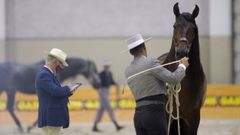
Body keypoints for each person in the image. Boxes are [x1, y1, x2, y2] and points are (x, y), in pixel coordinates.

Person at [124, 34, 189, 135]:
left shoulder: (128, 71)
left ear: (130, 52)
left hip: (138, 116)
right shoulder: (151, 62)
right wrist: (182, 66)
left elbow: (149, 84)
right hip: (154, 114)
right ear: (144, 48)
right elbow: (174, 79)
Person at [35, 48, 76, 135]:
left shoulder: (49, 74)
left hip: (53, 117)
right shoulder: (44, 74)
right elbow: (55, 91)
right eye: (61, 64)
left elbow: (55, 94)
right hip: (51, 117)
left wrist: (69, 91)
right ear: (55, 62)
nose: (61, 68)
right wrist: (67, 88)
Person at [92, 60, 124, 132]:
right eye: (106, 65)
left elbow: (111, 81)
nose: (107, 66)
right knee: (109, 108)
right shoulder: (100, 74)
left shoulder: (109, 73)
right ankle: (116, 124)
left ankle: (95, 126)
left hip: (106, 91)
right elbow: (97, 83)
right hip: (102, 91)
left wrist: (116, 83)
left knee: (101, 109)